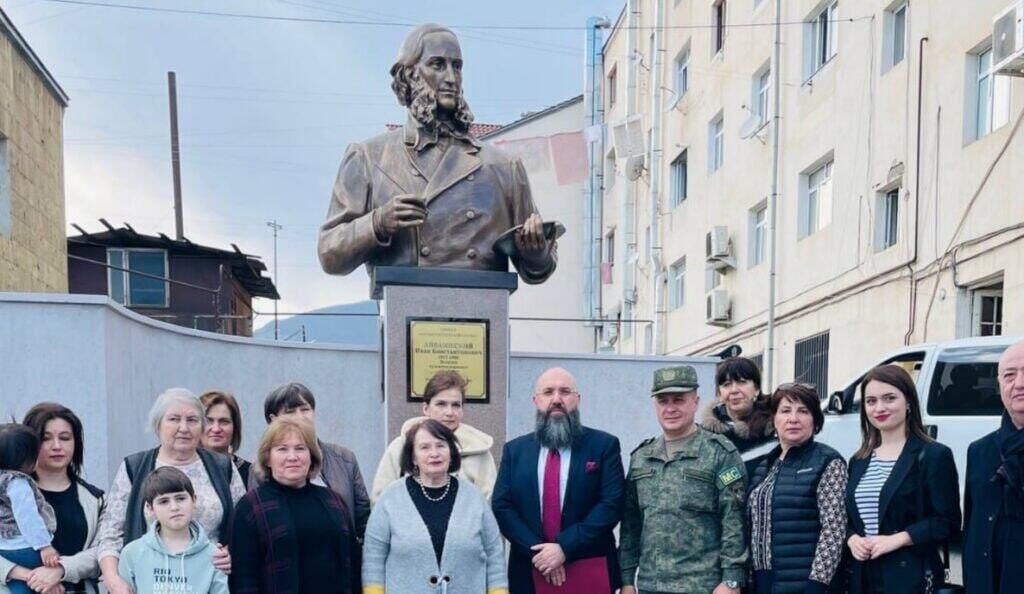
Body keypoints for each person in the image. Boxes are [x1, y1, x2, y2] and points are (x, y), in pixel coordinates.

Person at [317, 23, 558, 290]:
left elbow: (539, 267)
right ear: (409, 75)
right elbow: (330, 253)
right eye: (437, 64)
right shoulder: (368, 158)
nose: (451, 79)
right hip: (405, 304)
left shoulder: (503, 167)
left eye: (457, 66)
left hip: (481, 310)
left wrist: (536, 252)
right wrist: (378, 222)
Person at [97, 388, 245, 594]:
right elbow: (110, 534)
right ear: (158, 425)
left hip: (208, 582)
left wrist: (232, 553)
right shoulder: (135, 467)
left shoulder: (223, 467)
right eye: (174, 419)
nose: (183, 428)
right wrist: (114, 580)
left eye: (192, 420)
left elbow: (245, 529)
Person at [492, 367, 624, 594]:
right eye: (548, 392)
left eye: (565, 391)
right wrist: (541, 555)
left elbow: (611, 504)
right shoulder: (515, 450)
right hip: (530, 570)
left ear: (577, 399)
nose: (556, 399)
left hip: (589, 567)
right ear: (536, 400)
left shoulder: (604, 445)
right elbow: (502, 506)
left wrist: (564, 547)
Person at [619, 365, 748, 594]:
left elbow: (734, 520)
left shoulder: (720, 453)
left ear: (695, 402)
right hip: (650, 586)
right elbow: (631, 525)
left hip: (703, 587)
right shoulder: (641, 458)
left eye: (678, 400)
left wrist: (731, 580)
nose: (670, 408)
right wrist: (627, 579)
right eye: (663, 401)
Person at [845, 365, 961, 594]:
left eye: (889, 398)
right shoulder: (858, 460)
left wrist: (898, 539)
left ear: (908, 403)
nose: (879, 407)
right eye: (871, 401)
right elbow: (849, 518)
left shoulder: (933, 455)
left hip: (910, 576)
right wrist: (851, 539)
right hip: (862, 577)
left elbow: (947, 522)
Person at [363, 419, 507, 594]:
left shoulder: (474, 498)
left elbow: (494, 553)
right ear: (413, 457)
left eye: (441, 446)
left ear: (451, 452)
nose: (434, 453)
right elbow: (373, 556)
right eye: (424, 447)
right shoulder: (391, 498)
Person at [230, 418, 361, 594]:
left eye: (300, 448)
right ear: (268, 459)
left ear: (311, 456)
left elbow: (353, 565)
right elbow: (243, 579)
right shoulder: (251, 507)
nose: (292, 457)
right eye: (282, 449)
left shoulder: (334, 502)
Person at [746, 383, 847, 594]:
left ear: (815, 421)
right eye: (785, 411)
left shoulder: (828, 461)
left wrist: (817, 585)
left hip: (806, 586)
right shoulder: (763, 466)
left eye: (803, 411)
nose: (793, 419)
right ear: (774, 419)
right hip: (762, 585)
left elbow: (834, 531)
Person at [0, 404, 106, 594]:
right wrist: (25, 575)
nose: (57, 446)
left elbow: (103, 551)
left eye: (65, 438)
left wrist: (60, 570)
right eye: (45, 438)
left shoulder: (96, 498)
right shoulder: (8, 493)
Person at [260, 382, 370, 540]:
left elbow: (363, 519)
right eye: (290, 412)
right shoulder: (264, 466)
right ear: (273, 419)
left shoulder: (345, 459)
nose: (300, 417)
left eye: (305, 410)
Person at [371, 370, 497, 503]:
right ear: (426, 408)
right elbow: (380, 501)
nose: (449, 412)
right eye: (441, 404)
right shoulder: (400, 447)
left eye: (456, 405)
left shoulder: (480, 453)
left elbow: (487, 505)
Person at [964, 338, 1024, 594]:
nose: (1019, 383)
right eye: (1009, 375)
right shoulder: (979, 451)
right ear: (999, 385)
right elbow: (972, 529)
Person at [117, 467, 228, 593]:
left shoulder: (214, 555)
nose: (174, 507)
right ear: (150, 508)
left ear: (194, 500)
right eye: (163, 501)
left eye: (181, 498)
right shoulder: (132, 553)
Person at [0, 424, 59, 594]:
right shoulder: (18, 483)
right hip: (25, 547)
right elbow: (28, 518)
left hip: (3, 548)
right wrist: (44, 546)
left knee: (18, 586)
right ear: (26, 459)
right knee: (46, 577)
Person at [701, 356, 775, 472]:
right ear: (719, 393)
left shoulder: (775, 429)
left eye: (742, 382)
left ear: (756, 388)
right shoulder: (706, 435)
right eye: (726, 384)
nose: (734, 390)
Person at [199, 390, 252, 485]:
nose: (216, 429)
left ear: (235, 427)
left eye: (224, 421)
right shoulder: (184, 470)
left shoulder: (250, 474)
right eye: (209, 421)